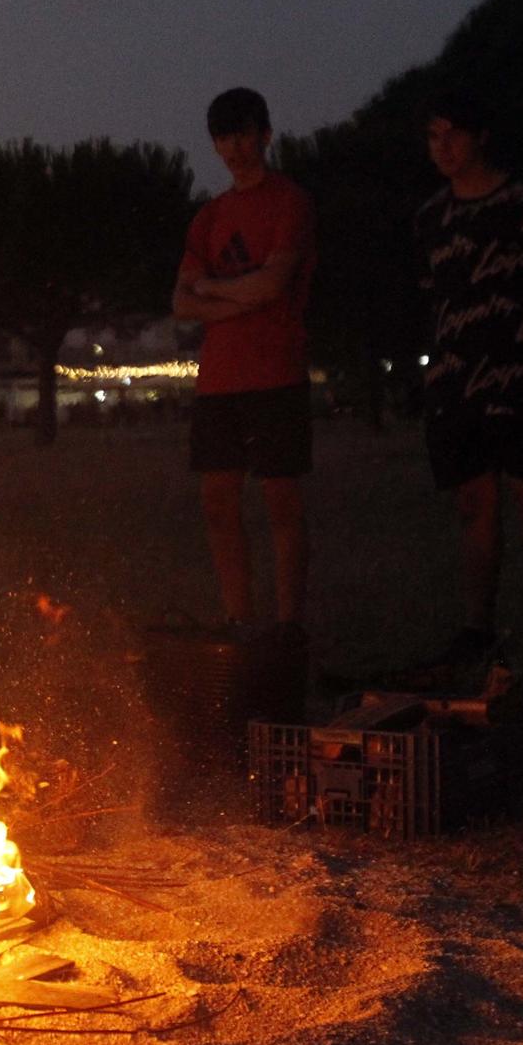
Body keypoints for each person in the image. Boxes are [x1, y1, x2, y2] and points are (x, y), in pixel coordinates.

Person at [414, 88, 523, 684]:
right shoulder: (432, 219)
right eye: (434, 138)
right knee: (472, 505)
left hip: (520, 375)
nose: (444, 148)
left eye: (453, 134)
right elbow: (428, 295)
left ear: (480, 135)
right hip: (457, 382)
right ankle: (476, 628)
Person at [172, 87, 317, 642]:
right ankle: (238, 622)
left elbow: (274, 284)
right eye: (222, 137)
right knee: (217, 504)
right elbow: (182, 302)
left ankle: (287, 626)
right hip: (220, 383)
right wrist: (237, 291)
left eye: (241, 133)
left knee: (280, 499)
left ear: (265, 134)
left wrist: (214, 288)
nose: (233, 147)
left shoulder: (289, 203)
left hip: (275, 373)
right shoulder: (210, 218)